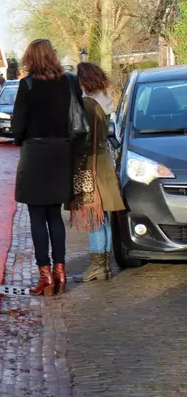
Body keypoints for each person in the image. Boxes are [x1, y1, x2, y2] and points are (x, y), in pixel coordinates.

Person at [11, 39, 84, 296]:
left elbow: (17, 126)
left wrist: (21, 138)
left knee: (36, 217)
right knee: (55, 216)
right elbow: (78, 115)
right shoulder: (69, 82)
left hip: (36, 153)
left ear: (29, 58)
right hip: (62, 152)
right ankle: (61, 270)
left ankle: (45, 275)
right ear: (52, 56)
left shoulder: (27, 85)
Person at [73, 62, 125, 281]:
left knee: (93, 216)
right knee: (102, 218)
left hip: (88, 166)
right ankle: (103, 267)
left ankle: (97, 267)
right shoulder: (104, 102)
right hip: (104, 163)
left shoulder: (86, 103)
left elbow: (82, 137)